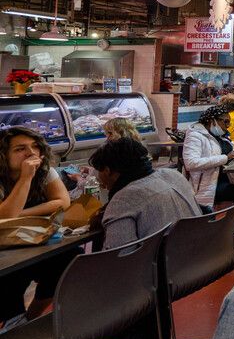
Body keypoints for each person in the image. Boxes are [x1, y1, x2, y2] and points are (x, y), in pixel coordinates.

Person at [0, 128, 72, 325]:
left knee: (69, 258)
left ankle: (31, 318)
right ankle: (12, 327)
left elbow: (62, 201)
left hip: (30, 240)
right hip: (4, 251)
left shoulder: (45, 171)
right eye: (20, 149)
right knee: (10, 277)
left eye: (35, 147)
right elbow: (4, 216)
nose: (31, 153)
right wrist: (25, 178)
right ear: (3, 154)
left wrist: (21, 214)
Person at [89, 137, 201, 250]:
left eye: (98, 171)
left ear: (107, 171)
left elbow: (119, 256)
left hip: (164, 264)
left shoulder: (123, 199)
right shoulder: (175, 176)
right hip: (200, 256)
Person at [182, 105, 234, 212]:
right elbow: (191, 163)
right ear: (212, 121)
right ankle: (231, 227)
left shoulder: (220, 137)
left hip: (226, 178)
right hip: (206, 184)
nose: (227, 126)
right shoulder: (195, 136)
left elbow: (230, 151)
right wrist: (225, 158)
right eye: (225, 122)